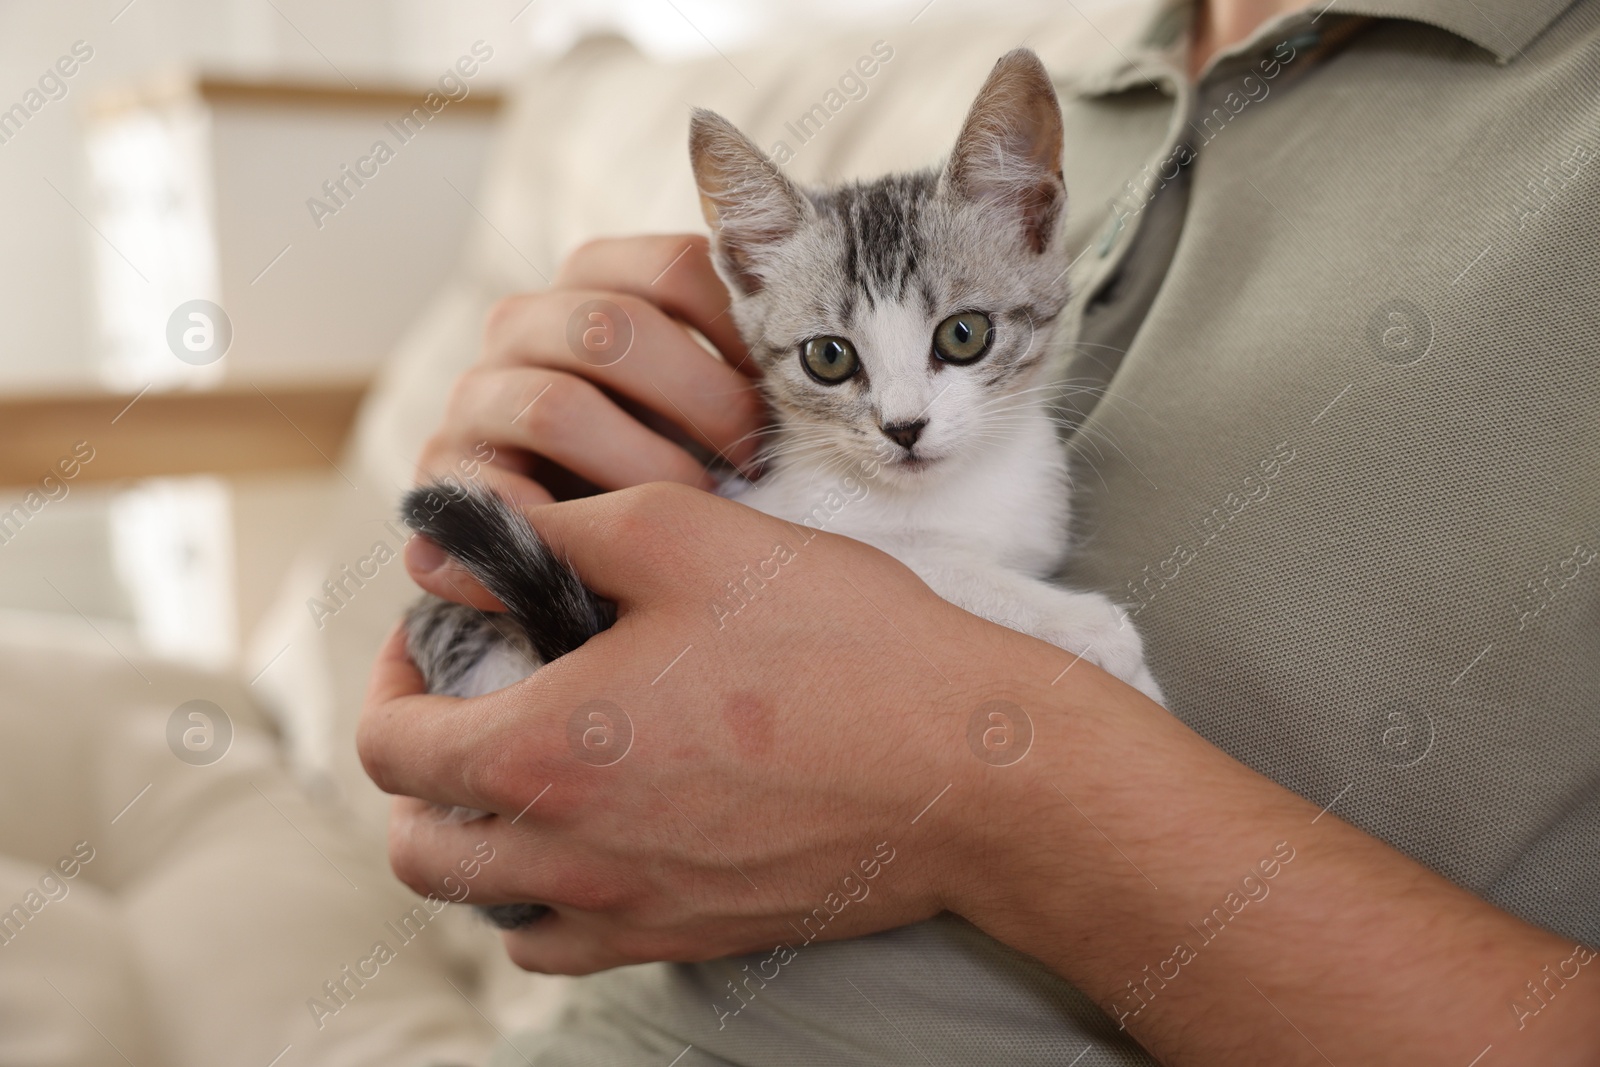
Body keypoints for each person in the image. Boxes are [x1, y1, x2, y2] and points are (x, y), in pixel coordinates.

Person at [358, 0, 1600, 1062]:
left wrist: (999, 787)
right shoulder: (1079, 84)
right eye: (844, 361)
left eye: (957, 344)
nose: (902, 417)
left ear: (1031, 218)